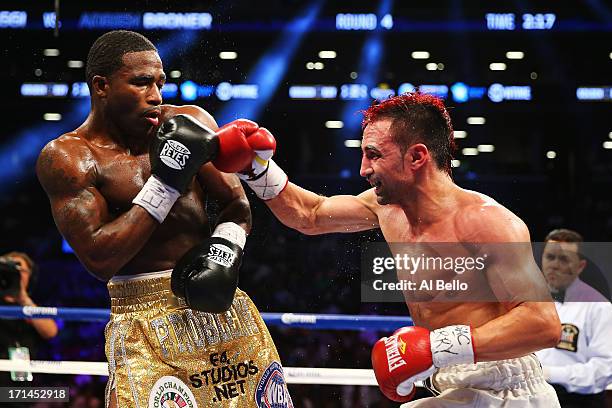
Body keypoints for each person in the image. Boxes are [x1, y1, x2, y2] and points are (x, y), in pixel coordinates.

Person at [219, 92, 562, 406]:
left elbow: (543, 324)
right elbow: (310, 215)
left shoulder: (488, 224)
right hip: (453, 385)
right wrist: (256, 169)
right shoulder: (389, 209)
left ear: (416, 157)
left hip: (508, 391)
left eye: (374, 155)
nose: (363, 170)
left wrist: (435, 349)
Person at [36, 30, 292, 408]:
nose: (155, 96)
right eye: (140, 83)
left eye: (159, 82)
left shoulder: (189, 121)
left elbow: (236, 206)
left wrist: (224, 253)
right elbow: (100, 258)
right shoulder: (69, 157)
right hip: (142, 323)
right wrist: (167, 182)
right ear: (101, 86)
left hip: (221, 307)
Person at [535, 228, 612, 407]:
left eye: (563, 259)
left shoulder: (600, 307)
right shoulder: (530, 300)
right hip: (533, 395)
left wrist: (550, 374)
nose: (554, 265)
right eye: (550, 257)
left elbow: (605, 368)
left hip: (577, 401)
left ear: (580, 266)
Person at [0, 251, 58, 388]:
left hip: (19, 387)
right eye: (9, 268)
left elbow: (51, 332)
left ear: (30, 276)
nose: (14, 272)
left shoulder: (33, 305)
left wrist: (23, 299)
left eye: (19, 268)